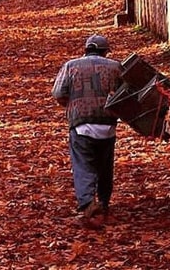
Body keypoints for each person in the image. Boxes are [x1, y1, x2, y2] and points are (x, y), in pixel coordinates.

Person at [51, 35, 124, 227]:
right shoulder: (115, 66)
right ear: (105, 51)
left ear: (85, 49)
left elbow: (58, 93)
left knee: (83, 165)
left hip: (81, 125)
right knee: (105, 166)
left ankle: (87, 203)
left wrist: (70, 104)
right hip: (107, 125)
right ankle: (104, 201)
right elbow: (124, 94)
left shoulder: (70, 66)